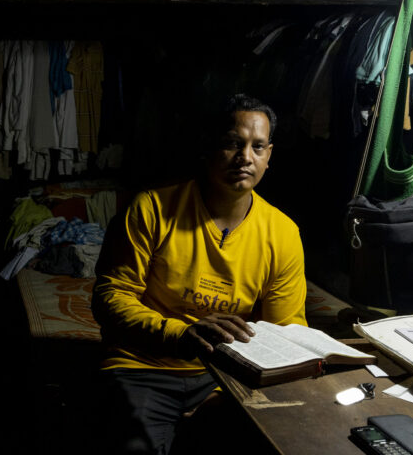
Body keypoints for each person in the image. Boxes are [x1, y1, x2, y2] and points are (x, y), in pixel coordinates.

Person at [90, 93, 307, 455]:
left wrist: (232, 392)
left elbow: (284, 332)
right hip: (143, 365)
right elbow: (110, 300)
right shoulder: (152, 209)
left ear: (269, 157)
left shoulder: (283, 233)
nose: (245, 158)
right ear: (208, 148)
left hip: (227, 376)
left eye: (257, 147)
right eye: (233, 144)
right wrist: (183, 334)